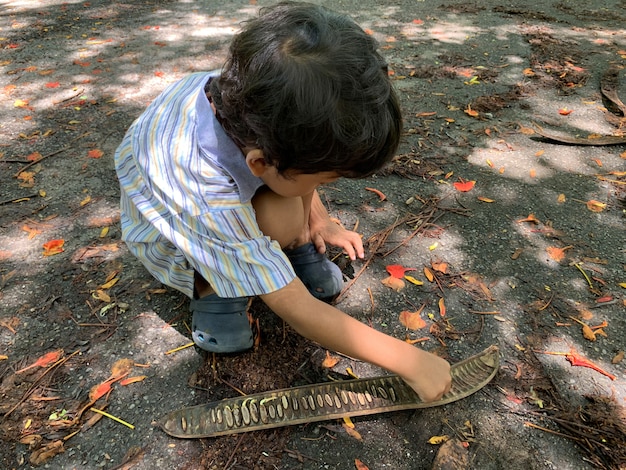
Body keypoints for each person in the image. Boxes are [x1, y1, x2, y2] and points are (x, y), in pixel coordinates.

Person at [115, 1, 451, 402]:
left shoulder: (247, 98)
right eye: (328, 177)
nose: (330, 183)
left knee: (287, 203)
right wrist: (408, 360)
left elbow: (291, 174)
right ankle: (216, 292)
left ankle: (285, 247)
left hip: (237, 196)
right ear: (259, 162)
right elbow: (293, 305)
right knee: (268, 240)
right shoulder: (205, 191)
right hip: (177, 244)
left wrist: (319, 218)